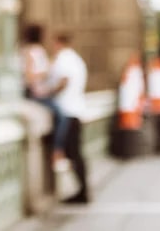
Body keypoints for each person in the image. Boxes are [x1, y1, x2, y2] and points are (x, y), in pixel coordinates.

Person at [47, 33, 89, 204]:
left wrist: (48, 92)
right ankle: (82, 190)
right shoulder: (77, 59)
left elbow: (64, 80)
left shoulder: (64, 58)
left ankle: (82, 192)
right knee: (76, 153)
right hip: (77, 110)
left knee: (72, 154)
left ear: (58, 42)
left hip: (68, 112)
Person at [20, 24, 67, 166]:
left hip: (45, 91)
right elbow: (29, 77)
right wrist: (46, 72)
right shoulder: (29, 51)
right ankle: (57, 150)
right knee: (62, 116)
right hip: (37, 94)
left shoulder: (38, 51)